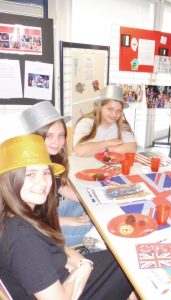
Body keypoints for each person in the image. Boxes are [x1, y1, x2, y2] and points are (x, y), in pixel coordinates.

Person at [0, 134, 134, 299]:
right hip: (69, 291)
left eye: (45, 173)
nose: (42, 182)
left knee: (125, 257)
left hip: (64, 276)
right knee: (132, 268)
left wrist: (82, 263)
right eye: (30, 174)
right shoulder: (22, 238)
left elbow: (54, 247)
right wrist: (83, 268)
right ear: (9, 179)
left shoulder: (19, 212)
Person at [19, 101, 92, 247]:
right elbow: (26, 219)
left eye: (61, 135)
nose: (57, 142)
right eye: (49, 136)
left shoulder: (50, 157)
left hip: (52, 212)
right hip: (39, 230)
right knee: (98, 227)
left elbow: (60, 188)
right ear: (36, 136)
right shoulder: (27, 169)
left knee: (92, 204)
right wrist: (69, 221)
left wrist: (93, 197)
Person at [73, 85, 136, 156]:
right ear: (100, 107)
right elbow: (80, 150)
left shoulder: (122, 124)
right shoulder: (86, 122)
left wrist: (107, 149)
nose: (114, 114)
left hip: (108, 166)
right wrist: (109, 143)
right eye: (110, 109)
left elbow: (132, 148)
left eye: (119, 111)